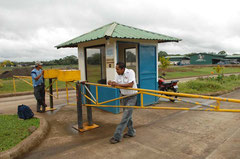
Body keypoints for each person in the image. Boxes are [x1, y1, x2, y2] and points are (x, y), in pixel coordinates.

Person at [108, 62, 138, 144]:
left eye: (117, 69)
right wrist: (111, 82)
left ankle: (117, 137)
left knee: (125, 117)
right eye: (116, 69)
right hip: (123, 96)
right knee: (128, 116)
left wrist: (117, 84)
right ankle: (131, 132)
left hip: (132, 97)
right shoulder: (118, 74)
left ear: (122, 69)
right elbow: (115, 82)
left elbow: (130, 84)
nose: (116, 71)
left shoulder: (130, 72)